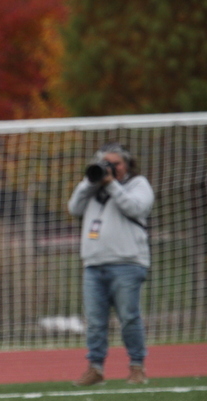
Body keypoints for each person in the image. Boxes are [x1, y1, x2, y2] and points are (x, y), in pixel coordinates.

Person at [67, 142, 154, 386]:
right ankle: (95, 368)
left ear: (127, 164)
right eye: (106, 163)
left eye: (116, 164)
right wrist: (89, 181)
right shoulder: (92, 187)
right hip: (94, 264)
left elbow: (135, 208)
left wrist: (111, 183)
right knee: (95, 321)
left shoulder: (138, 184)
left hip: (127, 263)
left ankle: (137, 367)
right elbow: (74, 208)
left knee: (129, 318)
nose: (111, 168)